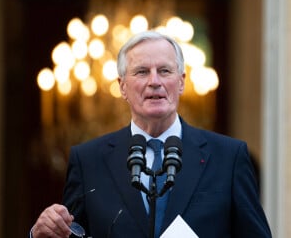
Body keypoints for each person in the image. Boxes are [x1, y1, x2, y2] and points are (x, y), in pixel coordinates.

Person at [30, 30, 272, 238]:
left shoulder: (228, 158)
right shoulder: (88, 160)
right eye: (142, 72)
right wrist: (41, 234)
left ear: (181, 82)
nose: (154, 81)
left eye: (165, 71)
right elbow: (69, 233)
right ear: (122, 86)